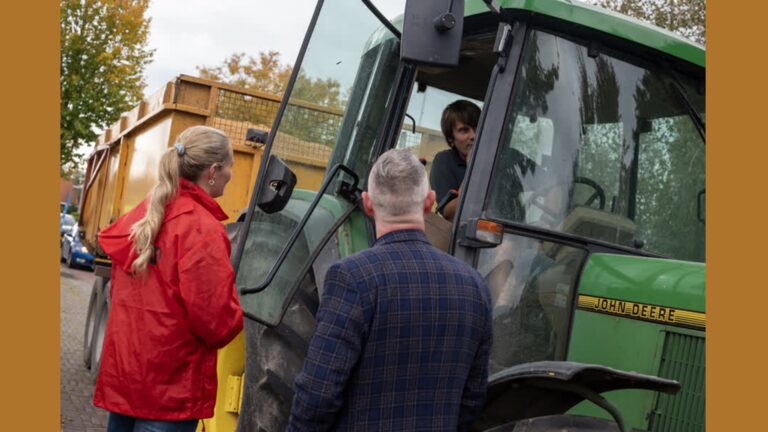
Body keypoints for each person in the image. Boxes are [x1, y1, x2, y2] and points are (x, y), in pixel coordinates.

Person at [287, 149, 493, 431]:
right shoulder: (474, 286)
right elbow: (472, 399)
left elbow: (318, 394)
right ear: (429, 202)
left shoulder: (351, 278)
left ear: (367, 204)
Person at [93, 126, 244, 432]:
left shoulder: (144, 216)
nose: (231, 174)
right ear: (213, 171)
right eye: (230, 167)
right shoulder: (202, 229)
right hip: (170, 389)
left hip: (127, 379)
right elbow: (215, 321)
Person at [430, 100, 481, 221]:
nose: (474, 136)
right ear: (451, 138)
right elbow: (450, 214)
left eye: (478, 128)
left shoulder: (502, 157)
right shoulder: (444, 161)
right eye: (464, 130)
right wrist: (472, 169)